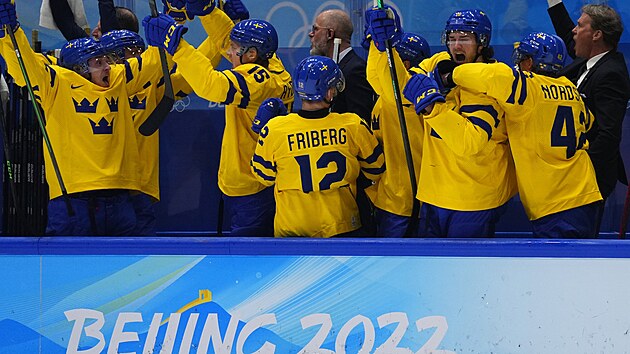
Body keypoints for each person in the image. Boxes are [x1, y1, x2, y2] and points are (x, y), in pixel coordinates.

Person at [0, 0, 163, 235]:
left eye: (106, 60)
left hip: (120, 197)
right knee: (70, 269)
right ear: (79, 69)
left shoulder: (118, 79)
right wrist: (9, 32)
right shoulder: (55, 83)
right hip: (72, 200)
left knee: (129, 269)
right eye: (99, 63)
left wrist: (169, 29)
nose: (108, 66)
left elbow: (154, 63)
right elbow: (22, 65)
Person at [143, 0, 294, 236]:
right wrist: (209, 11)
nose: (229, 52)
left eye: (235, 49)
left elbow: (211, 86)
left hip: (252, 186)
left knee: (248, 260)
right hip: (256, 184)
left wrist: (177, 46)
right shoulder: (274, 66)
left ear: (252, 54)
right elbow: (225, 38)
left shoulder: (258, 80)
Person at [368, 7, 517, 237]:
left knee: (464, 271)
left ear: (482, 43)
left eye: (464, 39)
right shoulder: (438, 62)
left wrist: (432, 105)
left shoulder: (491, 81)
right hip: (432, 196)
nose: (456, 46)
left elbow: (469, 142)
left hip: (473, 200)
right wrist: (382, 48)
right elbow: (395, 92)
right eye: (452, 38)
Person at [448, 32, 603, 238]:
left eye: (521, 59)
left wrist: (449, 75)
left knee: (557, 268)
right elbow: (590, 122)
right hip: (585, 194)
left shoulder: (528, 87)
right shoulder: (570, 88)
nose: (518, 63)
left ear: (530, 62)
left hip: (555, 203)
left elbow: (490, 75)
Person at [249, 56, 385, 237]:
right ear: (329, 93)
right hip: (340, 226)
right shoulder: (352, 124)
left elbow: (263, 176)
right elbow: (376, 169)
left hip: (292, 230)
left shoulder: (275, 129)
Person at [547, 1, 630, 231]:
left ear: (596, 35)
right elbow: (567, 35)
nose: (573, 31)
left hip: (588, 181)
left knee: (578, 240)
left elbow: (608, 134)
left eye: (579, 25)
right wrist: (554, 2)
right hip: (574, 176)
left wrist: (579, 174)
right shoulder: (589, 61)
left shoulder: (611, 74)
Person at [365, 31, 430, 237]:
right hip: (390, 196)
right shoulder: (384, 97)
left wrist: (383, 48)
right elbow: (375, 75)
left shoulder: (406, 99)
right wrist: (377, 45)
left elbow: (394, 81)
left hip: (407, 201)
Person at [309, 9, 376, 121]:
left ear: (330, 34)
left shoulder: (354, 70)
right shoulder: (335, 68)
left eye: (315, 29)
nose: (311, 34)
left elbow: (361, 120)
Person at [50, 0, 138, 40]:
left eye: (100, 29)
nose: (93, 33)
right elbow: (64, 21)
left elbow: (105, 6)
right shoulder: (92, 50)